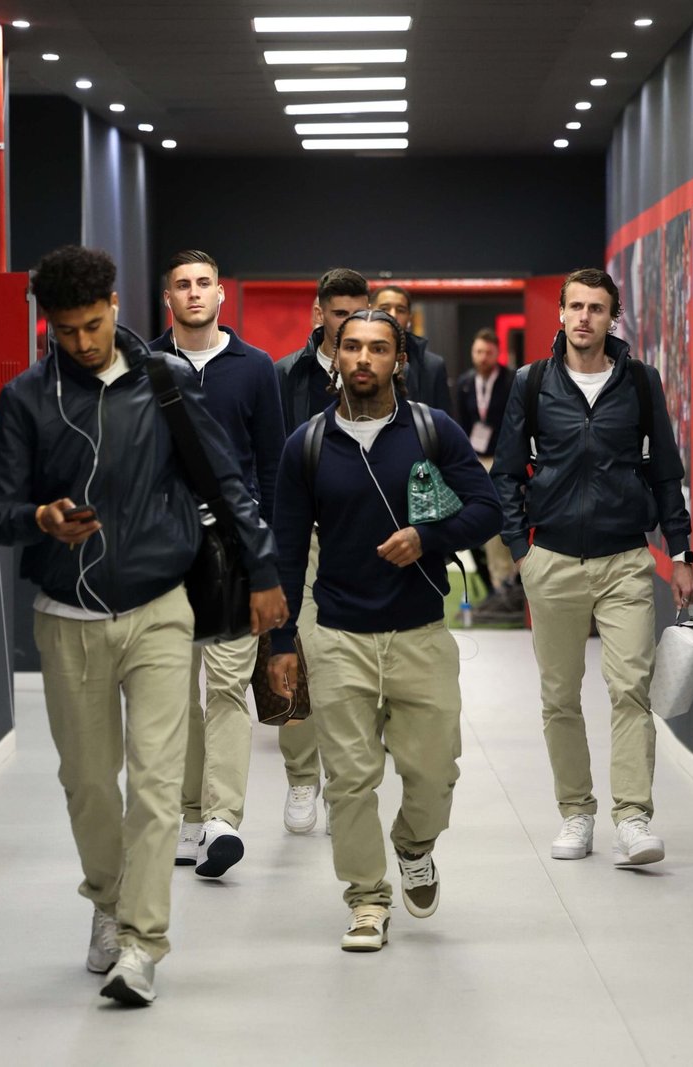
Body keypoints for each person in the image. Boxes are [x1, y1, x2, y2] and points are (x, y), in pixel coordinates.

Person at [0, 245, 287, 1006]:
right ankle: (107, 904)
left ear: (115, 305)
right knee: (88, 783)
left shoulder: (168, 381)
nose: (82, 343)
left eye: (91, 325)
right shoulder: (26, 398)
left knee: (154, 786)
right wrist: (40, 517)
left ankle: (141, 943)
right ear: (45, 325)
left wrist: (267, 573)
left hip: (159, 606)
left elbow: (227, 480)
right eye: (65, 331)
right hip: (68, 616)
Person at [268, 309, 500, 952]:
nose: (363, 359)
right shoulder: (306, 445)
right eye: (351, 347)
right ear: (334, 356)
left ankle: (415, 844)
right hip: (338, 633)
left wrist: (427, 537)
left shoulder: (433, 430)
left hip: (420, 633)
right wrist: (282, 643)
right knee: (349, 779)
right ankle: (366, 898)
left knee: (434, 771)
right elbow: (286, 550)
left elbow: (488, 509)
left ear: (399, 361)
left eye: (378, 348)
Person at [490, 267, 693, 869]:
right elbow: (506, 473)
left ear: (614, 318)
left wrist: (680, 554)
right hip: (551, 560)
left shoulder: (639, 382)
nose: (585, 318)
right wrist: (520, 550)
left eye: (597, 309)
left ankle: (632, 818)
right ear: (560, 313)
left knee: (629, 688)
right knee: (559, 696)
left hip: (625, 561)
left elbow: (665, 473)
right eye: (575, 307)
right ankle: (575, 813)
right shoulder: (532, 384)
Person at [150, 250, 286, 879]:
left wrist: (268, 555)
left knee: (228, 685)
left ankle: (222, 819)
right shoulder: (143, 368)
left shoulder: (256, 368)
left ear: (221, 296)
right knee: (174, 693)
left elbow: (271, 463)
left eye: (205, 283)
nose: (195, 293)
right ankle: (187, 813)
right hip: (164, 552)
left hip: (233, 552)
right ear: (168, 298)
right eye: (183, 285)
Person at [272, 268, 371, 833]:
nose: (348, 324)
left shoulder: (387, 372)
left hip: (366, 537)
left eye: (358, 312)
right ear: (320, 315)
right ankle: (301, 778)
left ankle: (343, 782)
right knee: (298, 656)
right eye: (339, 314)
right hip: (302, 535)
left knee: (353, 667)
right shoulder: (285, 376)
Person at [453, 327, 516, 602]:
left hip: (501, 459)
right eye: (478, 352)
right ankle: (493, 585)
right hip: (474, 459)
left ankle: (507, 583)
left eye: (488, 353)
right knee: (475, 522)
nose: (482, 358)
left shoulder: (511, 380)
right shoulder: (465, 383)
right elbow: (460, 420)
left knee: (501, 522)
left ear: (497, 354)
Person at [371, 283, 451, 413]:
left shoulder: (433, 366)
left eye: (400, 310)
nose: (393, 315)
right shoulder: (355, 358)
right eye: (384, 308)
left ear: (409, 317)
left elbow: (444, 423)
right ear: (370, 312)